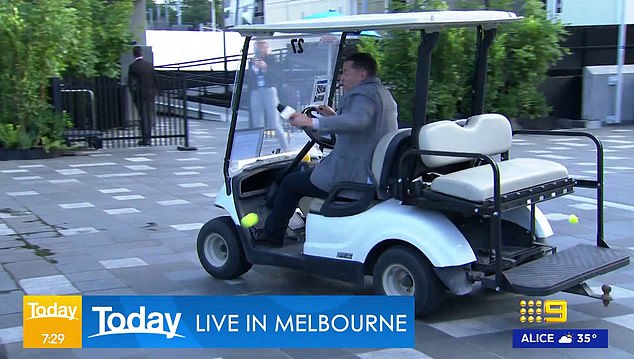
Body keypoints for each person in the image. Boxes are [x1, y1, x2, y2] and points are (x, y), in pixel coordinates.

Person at [258, 52, 398, 247]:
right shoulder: (381, 93)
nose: (342, 77)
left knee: (290, 182)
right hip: (370, 171)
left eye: (346, 72)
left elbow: (358, 121)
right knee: (303, 172)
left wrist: (311, 121)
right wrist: (332, 116)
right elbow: (361, 123)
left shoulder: (362, 94)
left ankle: (272, 235)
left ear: (362, 74)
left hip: (353, 176)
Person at [246, 40, 288, 151]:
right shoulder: (252, 60)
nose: (260, 48)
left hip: (269, 90)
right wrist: (254, 69)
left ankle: (286, 147)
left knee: (274, 122)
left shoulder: (272, 59)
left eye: (262, 45)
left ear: (266, 46)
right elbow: (249, 78)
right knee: (257, 123)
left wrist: (265, 68)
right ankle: (256, 150)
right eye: (258, 45)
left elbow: (278, 76)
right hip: (256, 92)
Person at [127, 46, 158, 146]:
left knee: (143, 116)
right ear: (142, 53)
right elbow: (155, 79)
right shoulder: (149, 65)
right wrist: (155, 91)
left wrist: (133, 94)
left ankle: (144, 138)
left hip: (139, 95)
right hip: (150, 94)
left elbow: (130, 83)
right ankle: (148, 137)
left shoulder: (133, 66)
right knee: (149, 116)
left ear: (134, 54)